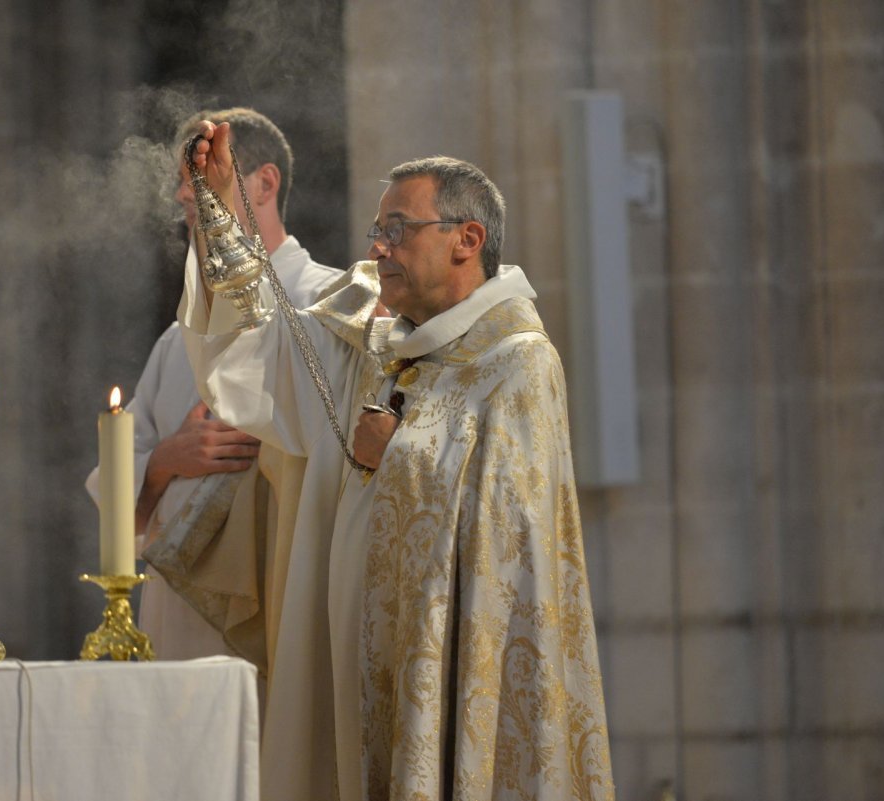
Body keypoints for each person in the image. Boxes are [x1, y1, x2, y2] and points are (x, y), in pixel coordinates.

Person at [179, 122, 615, 801]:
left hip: (446, 670)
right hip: (348, 672)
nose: (377, 250)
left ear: (466, 239)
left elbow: (507, 540)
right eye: (376, 232)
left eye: (398, 230)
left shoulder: (517, 360)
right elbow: (256, 361)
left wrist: (400, 453)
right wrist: (219, 215)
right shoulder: (371, 345)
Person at [86, 107, 342, 663]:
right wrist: (164, 462)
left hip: (281, 605)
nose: (189, 208)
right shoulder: (178, 340)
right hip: (175, 621)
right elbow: (118, 495)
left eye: (205, 189)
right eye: (186, 197)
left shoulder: (329, 308)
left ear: (265, 183)